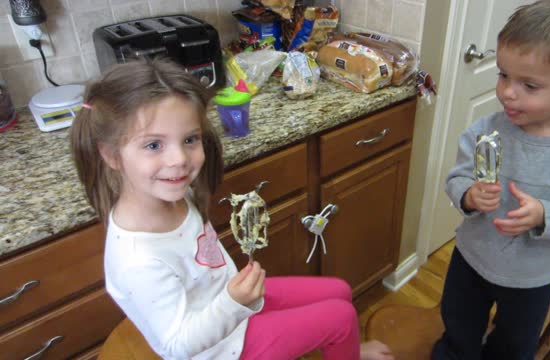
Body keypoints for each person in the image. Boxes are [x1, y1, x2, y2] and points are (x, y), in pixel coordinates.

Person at [69, 59, 394, 360]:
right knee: (341, 316)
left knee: (339, 291)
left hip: (231, 304)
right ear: (111, 156)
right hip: (221, 348)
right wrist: (233, 303)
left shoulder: (174, 198)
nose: (179, 159)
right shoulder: (137, 261)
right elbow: (177, 346)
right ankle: (345, 345)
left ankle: (344, 345)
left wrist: (233, 298)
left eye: (189, 139)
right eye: (153, 145)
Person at [432, 1, 550, 359]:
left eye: (529, 85)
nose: (507, 92)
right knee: (457, 325)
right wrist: (468, 194)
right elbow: (459, 175)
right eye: (503, 75)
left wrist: (545, 214)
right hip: (471, 257)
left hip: (532, 277)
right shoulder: (487, 129)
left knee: (514, 345)